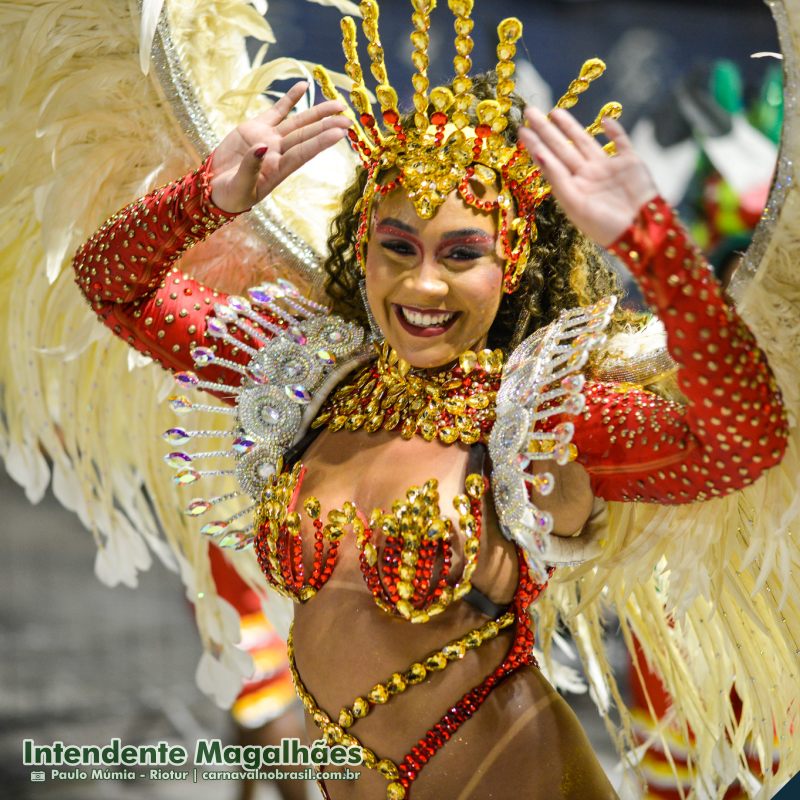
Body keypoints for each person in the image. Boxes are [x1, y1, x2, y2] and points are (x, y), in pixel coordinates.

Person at [71, 8, 790, 799]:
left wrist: (651, 244)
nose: (422, 286)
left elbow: (741, 442)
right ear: (363, 245)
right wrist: (208, 196)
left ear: (511, 261)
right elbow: (111, 285)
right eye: (399, 247)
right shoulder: (309, 381)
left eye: (462, 254)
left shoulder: (537, 419)